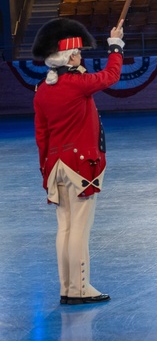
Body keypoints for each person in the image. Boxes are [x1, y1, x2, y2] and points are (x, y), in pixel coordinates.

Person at [32, 18, 125, 306]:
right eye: (78, 53)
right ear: (69, 57)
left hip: (55, 167)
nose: (82, 56)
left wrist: (45, 171)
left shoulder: (43, 91)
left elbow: (42, 137)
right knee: (80, 230)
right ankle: (80, 288)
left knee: (65, 228)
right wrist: (116, 45)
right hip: (80, 167)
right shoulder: (77, 84)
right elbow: (110, 76)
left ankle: (67, 287)